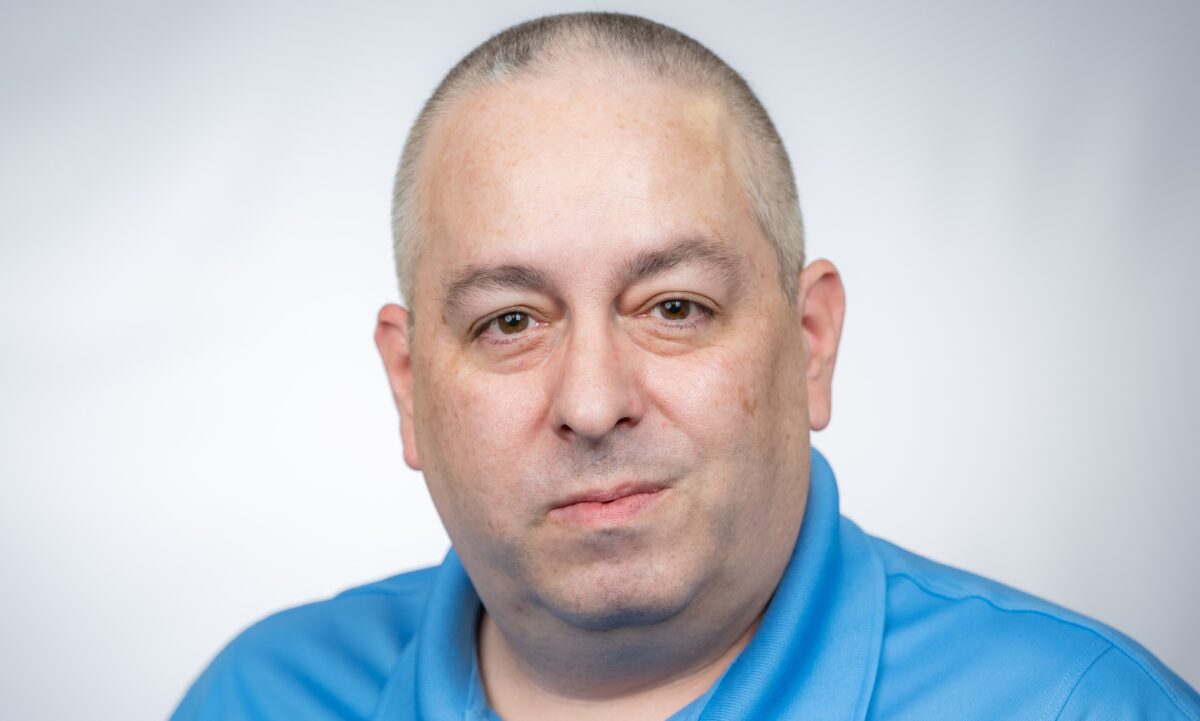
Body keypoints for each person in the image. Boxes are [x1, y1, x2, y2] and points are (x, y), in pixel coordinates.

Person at [171, 12, 1200, 721]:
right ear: (407, 386)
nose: (591, 401)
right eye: (510, 321)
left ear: (809, 344)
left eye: (673, 307)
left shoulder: (1080, 708)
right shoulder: (259, 698)